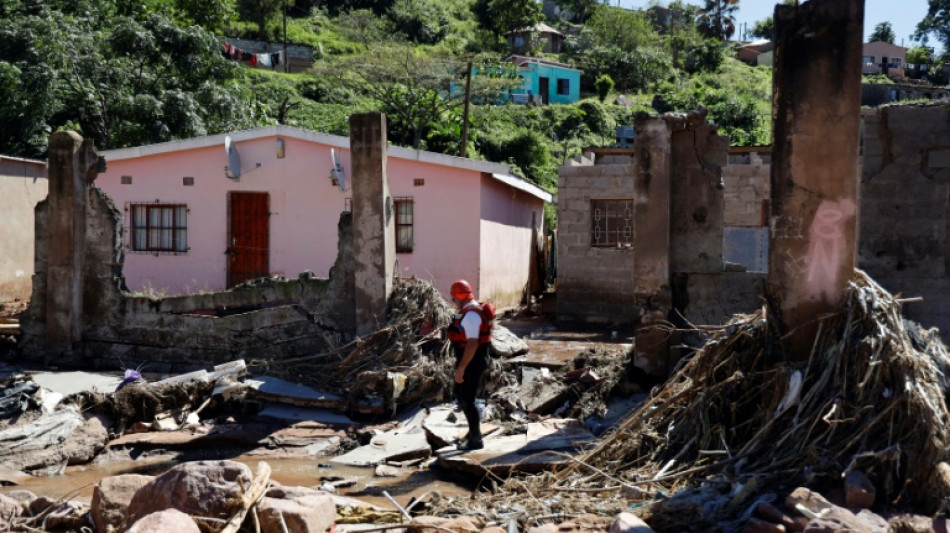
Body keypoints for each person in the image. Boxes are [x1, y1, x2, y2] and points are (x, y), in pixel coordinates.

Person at [446, 279, 492, 451]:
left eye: (453, 299)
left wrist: (461, 368)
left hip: (472, 363)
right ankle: (473, 432)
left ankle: (475, 439)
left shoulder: (471, 316)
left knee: (466, 398)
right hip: (473, 361)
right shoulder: (469, 311)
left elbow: (472, 344)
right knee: (461, 394)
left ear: (460, 297)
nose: (453, 302)